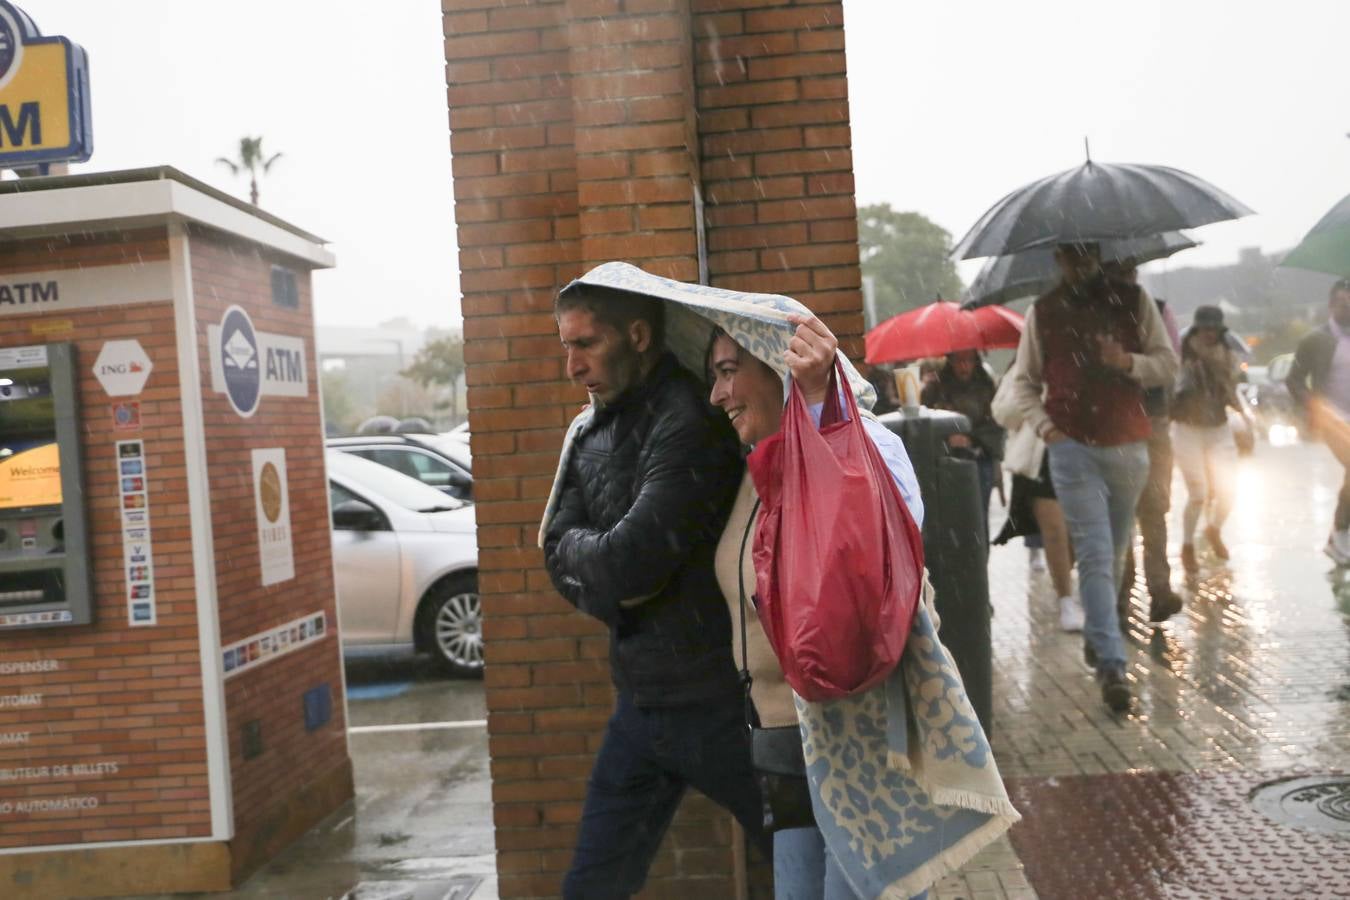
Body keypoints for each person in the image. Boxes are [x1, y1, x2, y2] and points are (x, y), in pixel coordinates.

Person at [704, 312, 1017, 899]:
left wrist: (820, 399)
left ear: (781, 368)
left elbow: (856, 569)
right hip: (784, 748)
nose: (718, 392)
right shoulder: (759, 460)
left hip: (861, 749)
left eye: (728, 371)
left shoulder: (864, 445)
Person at [541, 284, 765, 898]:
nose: (573, 365)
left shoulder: (691, 418)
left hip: (719, 702)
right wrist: (603, 569)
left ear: (637, 337)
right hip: (640, 702)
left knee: (813, 853)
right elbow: (555, 556)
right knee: (591, 885)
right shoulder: (588, 434)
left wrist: (600, 566)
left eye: (587, 343)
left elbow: (630, 563)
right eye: (567, 346)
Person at [1004, 243, 1180, 712]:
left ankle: (1102, 635)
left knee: (1117, 552)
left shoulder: (1134, 300)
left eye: (1086, 255)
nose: (1079, 264)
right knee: (1099, 554)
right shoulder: (1044, 312)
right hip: (1072, 449)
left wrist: (1126, 362)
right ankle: (1111, 663)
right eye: (1069, 256)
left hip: (1129, 447)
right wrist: (1048, 429)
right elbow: (1023, 382)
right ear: (1058, 261)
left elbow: (1168, 365)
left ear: (1100, 255)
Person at [1104, 262, 1186, 623]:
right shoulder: (1092, 313)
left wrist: (1128, 363)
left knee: (1152, 510)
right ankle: (1124, 595)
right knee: (1122, 515)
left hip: (1149, 421)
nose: (1127, 280)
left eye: (1129, 273)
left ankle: (1157, 590)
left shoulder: (1158, 308)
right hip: (1113, 426)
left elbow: (1170, 365)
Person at [992, 367, 1082, 632]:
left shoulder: (1076, 358)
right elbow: (1003, 415)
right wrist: (1037, 394)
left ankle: (1072, 585)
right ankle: (1066, 600)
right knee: (1054, 532)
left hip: (1079, 455)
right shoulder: (1022, 368)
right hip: (1038, 462)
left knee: (1077, 534)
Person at [1171, 305, 1249, 574]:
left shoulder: (1228, 353)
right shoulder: (1181, 351)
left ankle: (1214, 528)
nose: (1209, 334)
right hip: (1187, 427)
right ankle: (1187, 546)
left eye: (1213, 329)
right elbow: (1171, 384)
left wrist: (1242, 413)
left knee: (1229, 488)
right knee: (1198, 493)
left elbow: (1232, 386)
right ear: (1197, 329)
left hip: (1218, 426)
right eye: (1205, 329)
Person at [1286, 279, 1350, 565]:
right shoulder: (1315, 340)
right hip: (1333, 419)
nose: (1347, 307)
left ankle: (1337, 536)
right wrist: (1313, 404)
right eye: (1341, 302)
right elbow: (1293, 380)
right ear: (1331, 305)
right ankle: (1340, 535)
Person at [921, 349, 1004, 529]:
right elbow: (924, 427)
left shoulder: (987, 385)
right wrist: (946, 438)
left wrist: (972, 439)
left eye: (969, 360)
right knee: (951, 518)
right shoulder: (935, 387)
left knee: (979, 516)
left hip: (980, 460)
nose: (964, 366)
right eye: (958, 360)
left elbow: (996, 425)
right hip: (946, 463)